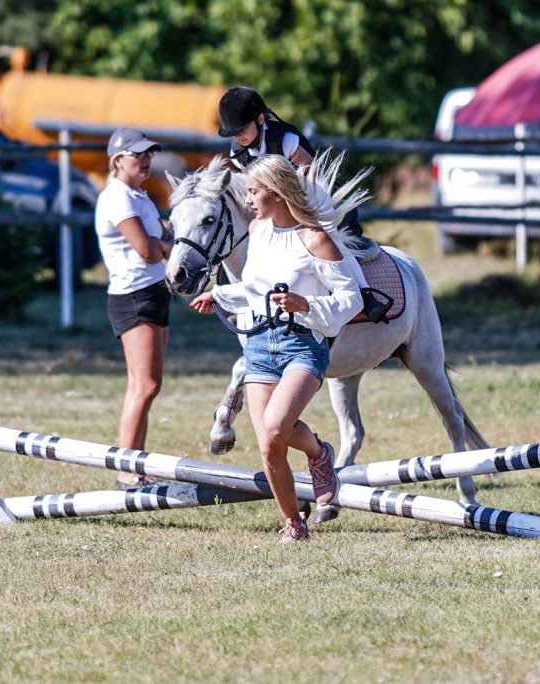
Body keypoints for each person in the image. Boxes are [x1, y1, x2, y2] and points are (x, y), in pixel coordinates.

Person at [188, 152, 371, 543]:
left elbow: (352, 298)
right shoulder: (257, 231)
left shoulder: (314, 238)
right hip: (258, 343)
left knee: (276, 425)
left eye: (254, 191)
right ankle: (294, 524)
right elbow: (256, 290)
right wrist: (219, 296)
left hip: (303, 344)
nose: (249, 199)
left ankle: (320, 455)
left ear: (276, 191)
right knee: (270, 448)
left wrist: (307, 305)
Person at [95, 127, 173, 487]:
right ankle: (128, 471)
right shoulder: (118, 199)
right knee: (146, 385)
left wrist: (164, 242)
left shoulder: (139, 196)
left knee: (144, 386)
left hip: (154, 291)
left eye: (149, 153)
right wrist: (164, 243)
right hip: (134, 296)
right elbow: (148, 249)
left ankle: (135, 465)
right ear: (117, 160)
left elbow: (165, 241)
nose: (146, 159)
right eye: (138, 154)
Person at [217, 86, 364, 239]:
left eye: (243, 129)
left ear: (260, 119)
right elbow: (251, 187)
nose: (238, 137)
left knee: (330, 235)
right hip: (274, 206)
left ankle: (348, 247)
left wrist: (293, 202)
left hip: (309, 193)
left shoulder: (285, 140)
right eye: (233, 133)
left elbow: (313, 173)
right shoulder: (238, 153)